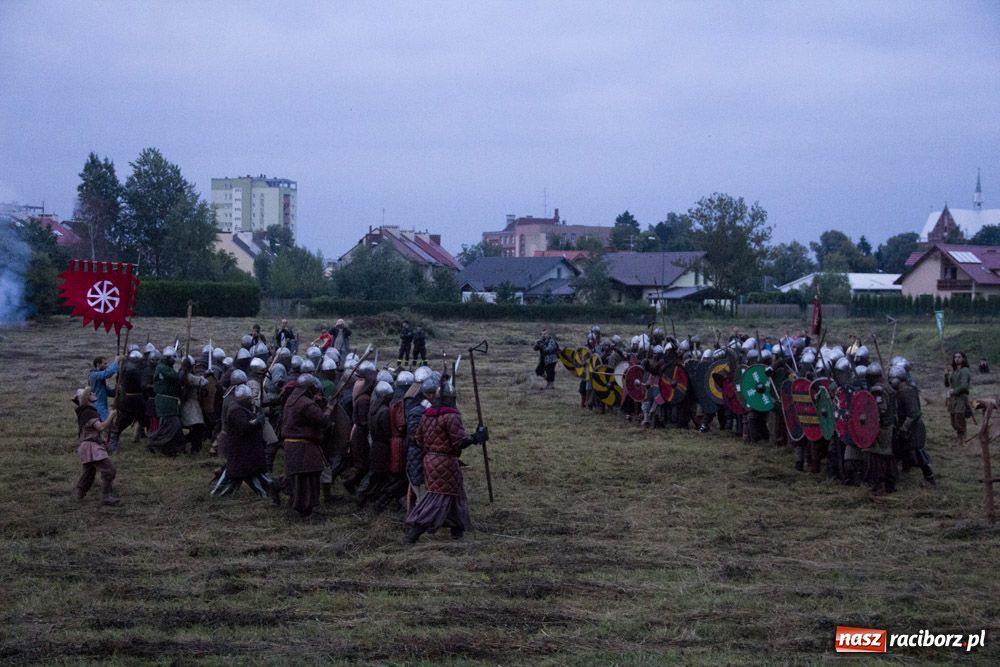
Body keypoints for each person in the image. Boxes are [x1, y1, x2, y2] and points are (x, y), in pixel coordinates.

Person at [404, 375, 489, 544]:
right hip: (445, 462)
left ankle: (457, 529)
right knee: (438, 498)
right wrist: (475, 437)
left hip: (429, 460)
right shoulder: (451, 416)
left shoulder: (427, 415)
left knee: (455, 494)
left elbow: (418, 440)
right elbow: (458, 442)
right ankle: (414, 532)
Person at [271, 374, 330, 517]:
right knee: (308, 476)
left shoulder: (293, 398)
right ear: (309, 388)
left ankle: (296, 501)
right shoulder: (306, 403)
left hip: (293, 445)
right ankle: (304, 507)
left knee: (298, 477)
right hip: (303, 445)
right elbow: (322, 420)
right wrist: (329, 409)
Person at [210, 384, 272, 498]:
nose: (250, 401)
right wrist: (257, 421)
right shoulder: (236, 410)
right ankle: (218, 494)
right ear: (244, 399)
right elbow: (244, 426)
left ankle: (268, 492)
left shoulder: (240, 407)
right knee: (241, 473)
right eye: (248, 399)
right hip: (241, 451)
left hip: (245, 451)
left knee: (244, 473)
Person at [73, 387, 120, 505]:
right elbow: (101, 427)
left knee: (89, 472)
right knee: (109, 469)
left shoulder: (86, 411)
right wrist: (111, 415)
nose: (93, 394)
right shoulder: (88, 412)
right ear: (86, 397)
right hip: (91, 447)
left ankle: (78, 494)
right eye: (90, 393)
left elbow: (95, 431)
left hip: (88, 445)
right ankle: (106, 496)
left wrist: (103, 442)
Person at [891, 365, 935, 485]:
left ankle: (929, 476)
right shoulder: (903, 390)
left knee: (918, 452)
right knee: (901, 450)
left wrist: (904, 428)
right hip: (908, 427)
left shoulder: (907, 391)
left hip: (913, 428)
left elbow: (913, 413)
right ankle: (900, 474)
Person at [866, 363, 897, 495]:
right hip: (890, 425)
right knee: (887, 454)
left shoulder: (878, 389)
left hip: (882, 427)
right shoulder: (888, 387)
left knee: (880, 456)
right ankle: (890, 484)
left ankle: (880, 485)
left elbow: (880, 409)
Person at [148, 347, 184, 456]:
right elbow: (175, 377)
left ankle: (174, 448)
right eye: (173, 358)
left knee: (173, 425)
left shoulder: (167, 367)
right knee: (171, 424)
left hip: (169, 401)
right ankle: (154, 442)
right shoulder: (162, 368)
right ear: (168, 357)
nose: (174, 360)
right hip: (165, 401)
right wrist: (182, 369)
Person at [89, 354, 121, 451]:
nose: (106, 365)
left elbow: (108, 392)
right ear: (98, 364)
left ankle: (102, 445)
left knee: (103, 428)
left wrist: (116, 390)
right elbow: (107, 373)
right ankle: (112, 448)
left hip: (101, 405)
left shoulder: (100, 379)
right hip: (98, 406)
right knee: (110, 426)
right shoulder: (94, 375)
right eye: (104, 364)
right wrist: (116, 361)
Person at [945, 351, 972, 447]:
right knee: (953, 422)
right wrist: (946, 375)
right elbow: (947, 384)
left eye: (959, 357)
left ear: (963, 358)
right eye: (955, 357)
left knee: (959, 419)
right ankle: (959, 439)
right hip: (953, 399)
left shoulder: (965, 371)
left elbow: (964, 386)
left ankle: (963, 441)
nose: (957, 358)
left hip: (961, 398)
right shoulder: (954, 371)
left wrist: (954, 391)